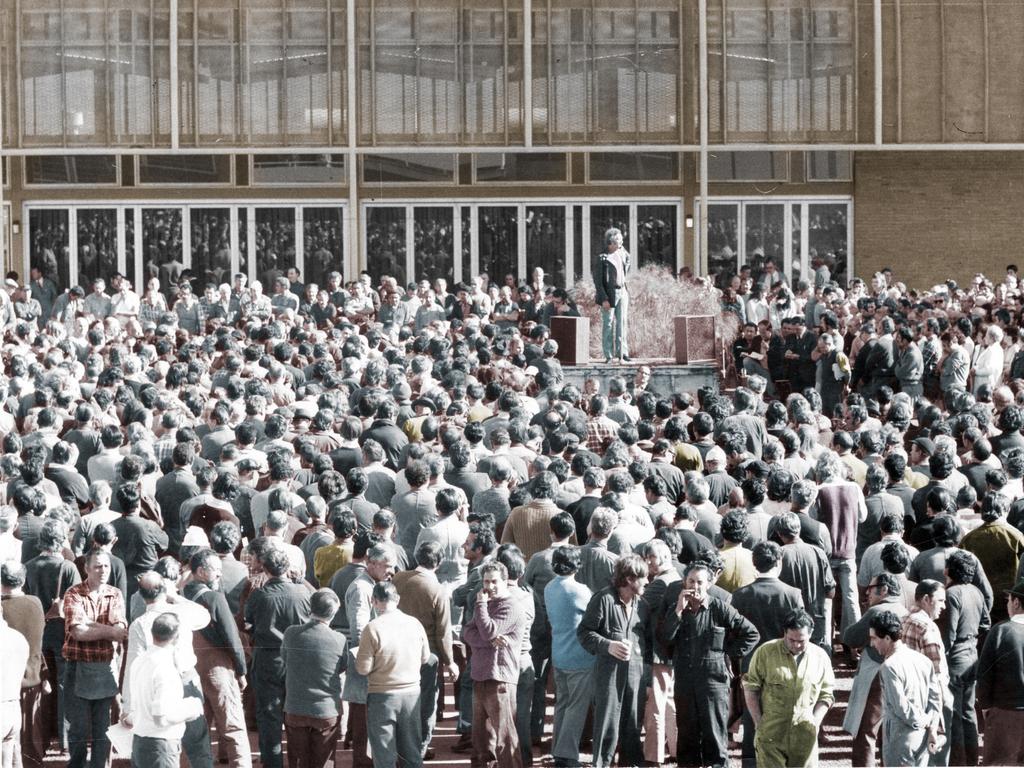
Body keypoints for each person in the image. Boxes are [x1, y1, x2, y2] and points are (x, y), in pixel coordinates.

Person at [659, 560, 759, 768]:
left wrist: (727, 654)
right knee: (686, 735)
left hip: (714, 683)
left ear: (709, 583)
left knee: (715, 736)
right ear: (684, 583)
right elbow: (665, 638)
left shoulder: (720, 608)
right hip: (685, 682)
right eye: (691, 581)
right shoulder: (676, 610)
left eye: (700, 582)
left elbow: (751, 634)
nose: (695, 587)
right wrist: (678, 610)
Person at [243, 546, 313, 768]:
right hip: (296, 661)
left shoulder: (259, 596)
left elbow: (247, 624)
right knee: (296, 717)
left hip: (267, 661)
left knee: (269, 717)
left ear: (264, 568)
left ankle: (272, 762)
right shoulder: (303, 593)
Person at [577, 554, 648, 768]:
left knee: (632, 727)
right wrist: (608, 645)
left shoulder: (642, 605)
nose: (647, 581)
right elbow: (584, 633)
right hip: (608, 676)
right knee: (606, 726)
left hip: (635, 677)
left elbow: (648, 642)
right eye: (642, 577)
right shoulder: (603, 599)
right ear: (628, 579)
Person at [743, 609, 835, 768]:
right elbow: (751, 688)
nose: (796, 645)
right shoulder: (765, 652)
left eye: (802, 641)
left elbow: (826, 695)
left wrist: (816, 721)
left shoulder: (820, 657)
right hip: (771, 733)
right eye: (791, 640)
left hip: (805, 734)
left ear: (811, 634)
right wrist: (759, 723)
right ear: (784, 633)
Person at [62, 549, 127, 768]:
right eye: (98, 566)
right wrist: (109, 630)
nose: (103, 571)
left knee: (103, 729)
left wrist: (92, 626)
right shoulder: (73, 593)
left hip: (105, 668)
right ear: (86, 568)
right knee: (78, 729)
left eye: (106, 566)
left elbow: (120, 628)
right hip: (77, 667)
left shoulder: (115, 593)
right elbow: (78, 632)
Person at [355, 581, 430, 768]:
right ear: (397, 599)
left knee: (383, 755)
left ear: (374, 601)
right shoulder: (415, 623)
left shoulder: (372, 628)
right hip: (411, 693)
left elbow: (363, 668)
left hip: (382, 696)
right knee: (412, 752)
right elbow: (425, 657)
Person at [122, 612, 205, 768]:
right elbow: (161, 717)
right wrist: (193, 708)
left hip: (140, 742)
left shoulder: (140, 661)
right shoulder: (166, 667)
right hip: (161, 746)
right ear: (177, 637)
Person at [463, 560, 525, 768]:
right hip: (480, 675)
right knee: (481, 739)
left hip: (500, 679)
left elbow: (488, 629)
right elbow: (467, 633)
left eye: (494, 582)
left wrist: (480, 606)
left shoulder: (511, 606)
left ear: (505, 581)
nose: (489, 586)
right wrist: (488, 641)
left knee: (505, 738)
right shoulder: (487, 604)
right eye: (486, 581)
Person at [282, 589, 348, 768]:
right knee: (325, 761)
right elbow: (342, 667)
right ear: (333, 613)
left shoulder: (291, 633)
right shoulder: (339, 639)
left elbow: (285, 659)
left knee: (297, 760)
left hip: (295, 707)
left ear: (311, 609)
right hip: (326, 711)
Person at [869, 609, 943, 767]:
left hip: (900, 738)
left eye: (874, 638)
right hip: (924, 738)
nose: (871, 643)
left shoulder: (888, 667)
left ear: (887, 638)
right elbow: (935, 700)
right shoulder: (923, 660)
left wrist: (924, 722)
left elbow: (901, 707)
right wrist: (932, 729)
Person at [544, 546, 594, 768]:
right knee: (576, 707)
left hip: (559, 654)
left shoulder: (549, 587)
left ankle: (559, 751)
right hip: (580, 657)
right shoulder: (579, 590)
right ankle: (567, 755)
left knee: (563, 704)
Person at [977, 577, 1024, 765]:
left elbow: (984, 674)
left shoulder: (1001, 631)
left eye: (1008, 600)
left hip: (1005, 713)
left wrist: (986, 706)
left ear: (1017, 602)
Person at [594, 227, 631, 363]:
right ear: (610, 243)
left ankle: (622, 352)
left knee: (622, 323)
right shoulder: (602, 258)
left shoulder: (623, 254)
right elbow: (598, 281)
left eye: (621, 240)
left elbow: (628, 262)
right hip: (609, 293)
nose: (621, 243)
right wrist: (604, 298)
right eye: (617, 241)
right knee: (608, 323)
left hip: (622, 291)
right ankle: (608, 355)